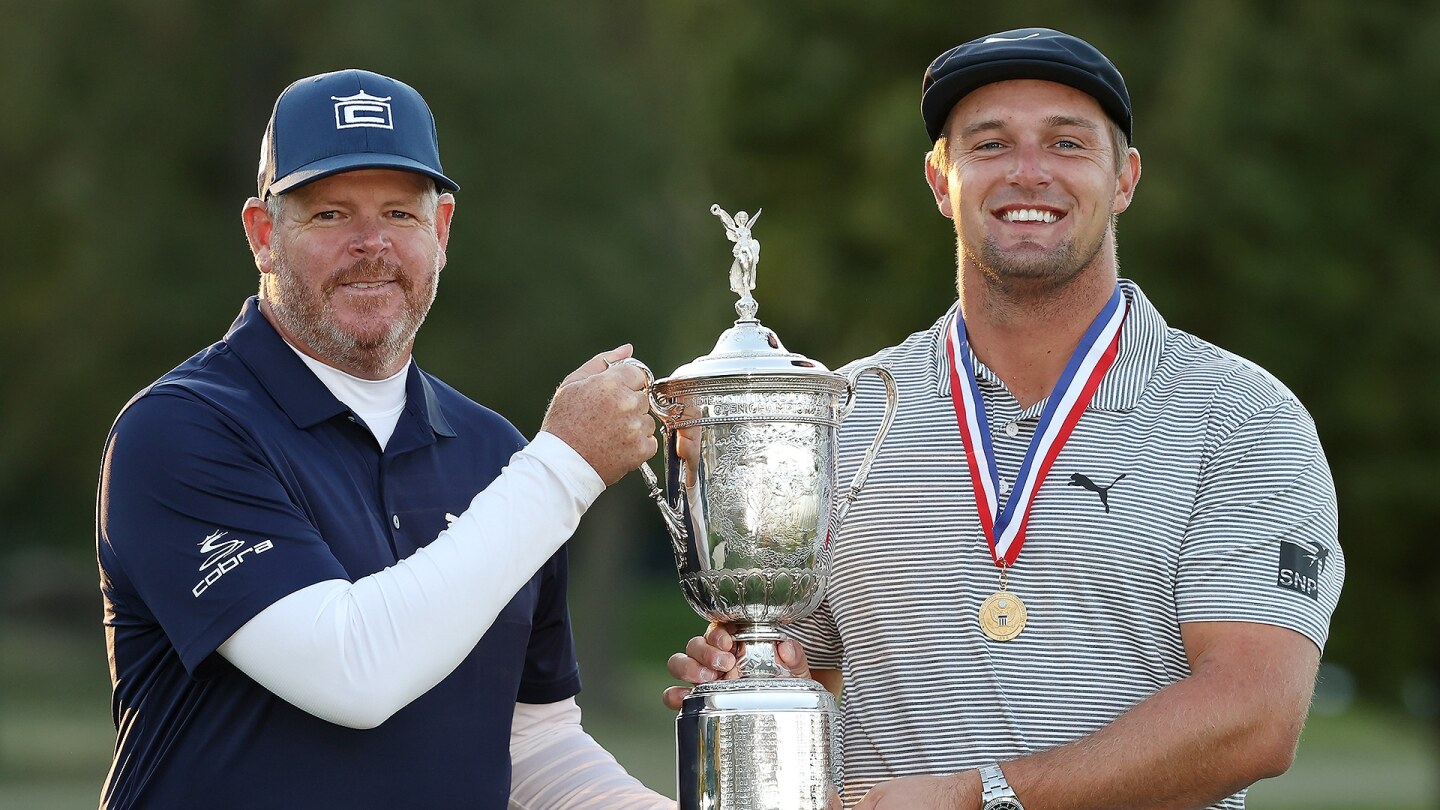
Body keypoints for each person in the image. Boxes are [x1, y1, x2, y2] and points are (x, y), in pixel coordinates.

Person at [665, 28, 1343, 810]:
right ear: (939, 180)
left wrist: (980, 798)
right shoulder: (836, 413)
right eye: (990, 145)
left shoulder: (1243, 417)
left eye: (1066, 143)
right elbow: (807, 675)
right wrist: (758, 685)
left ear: (1123, 178)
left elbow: (1256, 717)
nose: (1029, 172)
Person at [96, 69, 673, 809]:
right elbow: (352, 672)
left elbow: (529, 744)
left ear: (442, 231)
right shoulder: (180, 430)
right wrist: (565, 467)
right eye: (331, 214)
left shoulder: (495, 454)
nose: (371, 244)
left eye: (400, 213)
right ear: (264, 236)